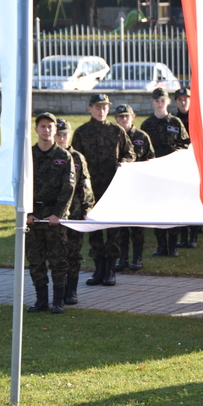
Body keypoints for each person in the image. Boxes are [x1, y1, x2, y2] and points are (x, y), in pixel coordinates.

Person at [71, 93, 135, 287]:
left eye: (104, 107)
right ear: (89, 109)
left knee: (113, 230)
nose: (101, 110)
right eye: (97, 107)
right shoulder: (82, 132)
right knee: (94, 229)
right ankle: (98, 269)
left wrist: (123, 162)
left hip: (111, 188)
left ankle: (110, 270)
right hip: (90, 190)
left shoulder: (116, 131)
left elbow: (130, 153)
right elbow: (74, 159)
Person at [26, 113, 75, 314]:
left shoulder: (64, 157)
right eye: (42, 126)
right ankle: (41, 300)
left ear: (55, 130)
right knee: (35, 260)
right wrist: (27, 213)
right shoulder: (28, 155)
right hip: (34, 216)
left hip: (54, 217)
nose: (46, 130)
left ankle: (58, 301)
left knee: (58, 261)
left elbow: (68, 188)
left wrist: (58, 214)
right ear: (36, 129)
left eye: (50, 127)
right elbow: (21, 185)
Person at [141, 88, 191, 257]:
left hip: (172, 171)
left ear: (168, 102)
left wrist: (176, 153)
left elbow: (185, 143)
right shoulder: (147, 125)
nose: (160, 104)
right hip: (155, 171)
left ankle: (172, 246)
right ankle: (161, 245)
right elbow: (142, 148)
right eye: (157, 101)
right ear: (152, 102)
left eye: (163, 100)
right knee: (157, 208)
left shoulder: (176, 123)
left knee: (172, 207)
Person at [54, 118, 95, 305]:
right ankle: (58, 291)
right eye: (59, 135)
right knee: (57, 254)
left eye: (65, 135)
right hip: (54, 213)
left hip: (75, 214)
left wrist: (87, 209)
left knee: (73, 253)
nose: (62, 138)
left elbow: (85, 185)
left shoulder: (77, 157)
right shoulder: (50, 156)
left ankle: (71, 290)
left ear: (70, 135)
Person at [114, 104, 154, 272]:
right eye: (121, 117)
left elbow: (151, 159)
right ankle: (123, 258)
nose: (124, 119)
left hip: (138, 187)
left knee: (137, 227)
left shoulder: (142, 136)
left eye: (127, 116)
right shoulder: (113, 135)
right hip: (119, 187)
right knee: (121, 227)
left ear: (133, 117)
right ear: (116, 119)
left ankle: (137, 259)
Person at [172, 87, 203, 249]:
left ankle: (193, 237)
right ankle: (183, 237)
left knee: (194, 199)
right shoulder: (173, 120)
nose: (183, 102)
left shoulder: (198, 118)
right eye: (180, 99)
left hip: (196, 163)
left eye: (186, 99)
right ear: (176, 101)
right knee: (181, 200)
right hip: (180, 164)